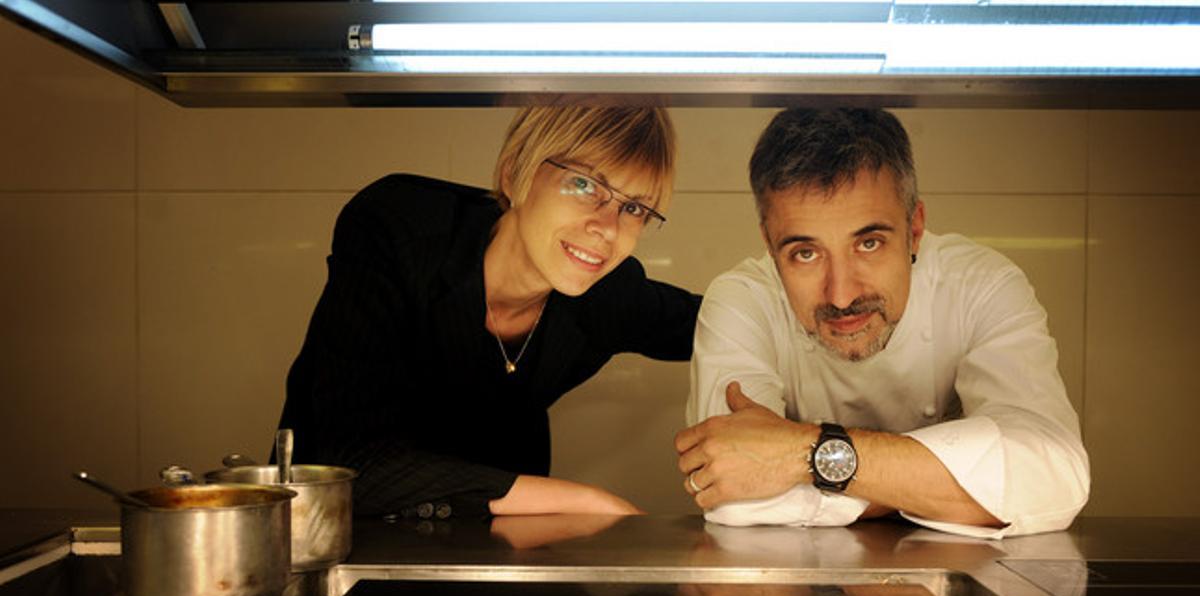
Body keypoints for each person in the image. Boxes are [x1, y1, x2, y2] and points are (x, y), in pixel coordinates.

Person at [675, 108, 1089, 538]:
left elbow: (1052, 475)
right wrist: (951, 486)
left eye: (869, 243)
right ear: (768, 242)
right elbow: (733, 491)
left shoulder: (979, 284)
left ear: (915, 229)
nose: (842, 295)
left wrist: (802, 454)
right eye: (805, 253)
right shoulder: (742, 300)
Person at [280, 106, 701, 519]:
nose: (608, 228)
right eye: (584, 184)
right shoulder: (398, 230)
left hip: (492, 555)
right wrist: (584, 502)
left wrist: (768, 443)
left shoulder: (610, 294)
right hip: (330, 539)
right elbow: (350, 468)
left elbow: (723, 323)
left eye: (634, 209)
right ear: (515, 173)